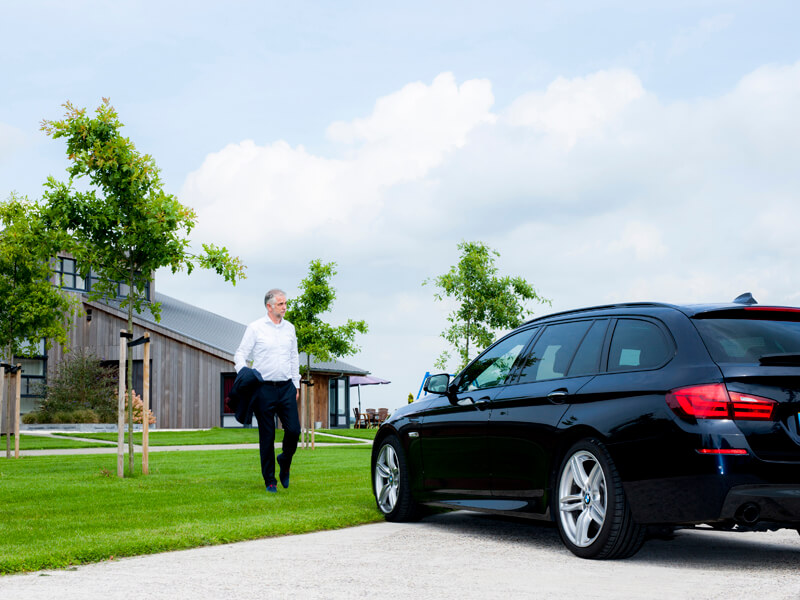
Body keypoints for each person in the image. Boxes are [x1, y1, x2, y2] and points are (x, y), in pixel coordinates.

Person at [234, 288, 301, 494]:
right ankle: (270, 480)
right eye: (280, 304)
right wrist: (245, 373)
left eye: (285, 303)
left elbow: (294, 357)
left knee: (294, 431)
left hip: (286, 387)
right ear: (269, 306)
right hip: (263, 389)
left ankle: (285, 460)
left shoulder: (290, 328)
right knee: (267, 436)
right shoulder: (255, 328)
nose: (285, 306)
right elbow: (240, 353)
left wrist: (296, 384)